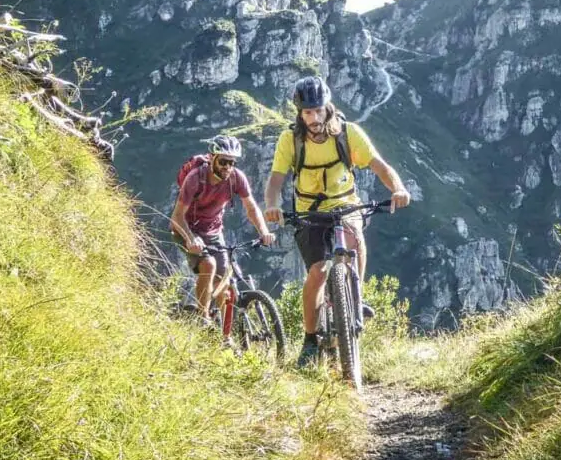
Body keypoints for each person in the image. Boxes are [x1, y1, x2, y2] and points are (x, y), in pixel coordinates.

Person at [263, 76, 411, 367]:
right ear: (300, 113)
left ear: (328, 107)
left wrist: (398, 188)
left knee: (355, 236)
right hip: (309, 212)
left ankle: (356, 295)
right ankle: (309, 339)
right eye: (308, 112)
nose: (314, 117)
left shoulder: (348, 133)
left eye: (318, 110)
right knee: (317, 272)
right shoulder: (290, 140)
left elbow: (379, 164)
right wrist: (271, 205)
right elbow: (276, 179)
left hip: (345, 203)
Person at [170, 134, 275, 325]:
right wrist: (191, 239)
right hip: (186, 228)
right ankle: (204, 319)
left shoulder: (236, 178)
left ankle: (226, 334)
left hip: (213, 230)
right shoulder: (195, 179)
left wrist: (264, 232)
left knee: (223, 276)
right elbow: (177, 216)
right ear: (212, 158)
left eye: (232, 163)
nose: (228, 167)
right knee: (208, 265)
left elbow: (251, 208)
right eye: (224, 161)